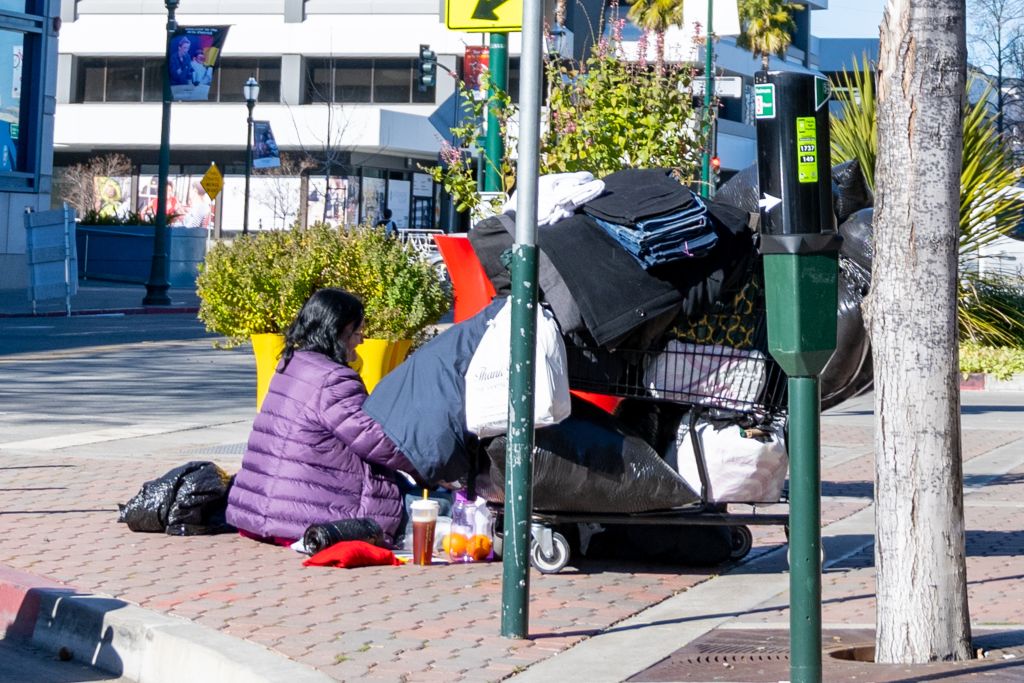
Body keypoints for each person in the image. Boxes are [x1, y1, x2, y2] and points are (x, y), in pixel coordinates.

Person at [226, 288, 418, 547]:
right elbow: (377, 442)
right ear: (338, 331)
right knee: (436, 505)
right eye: (358, 331)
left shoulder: (292, 364)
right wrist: (432, 467)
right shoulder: (333, 379)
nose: (361, 341)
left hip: (260, 512)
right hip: (303, 518)